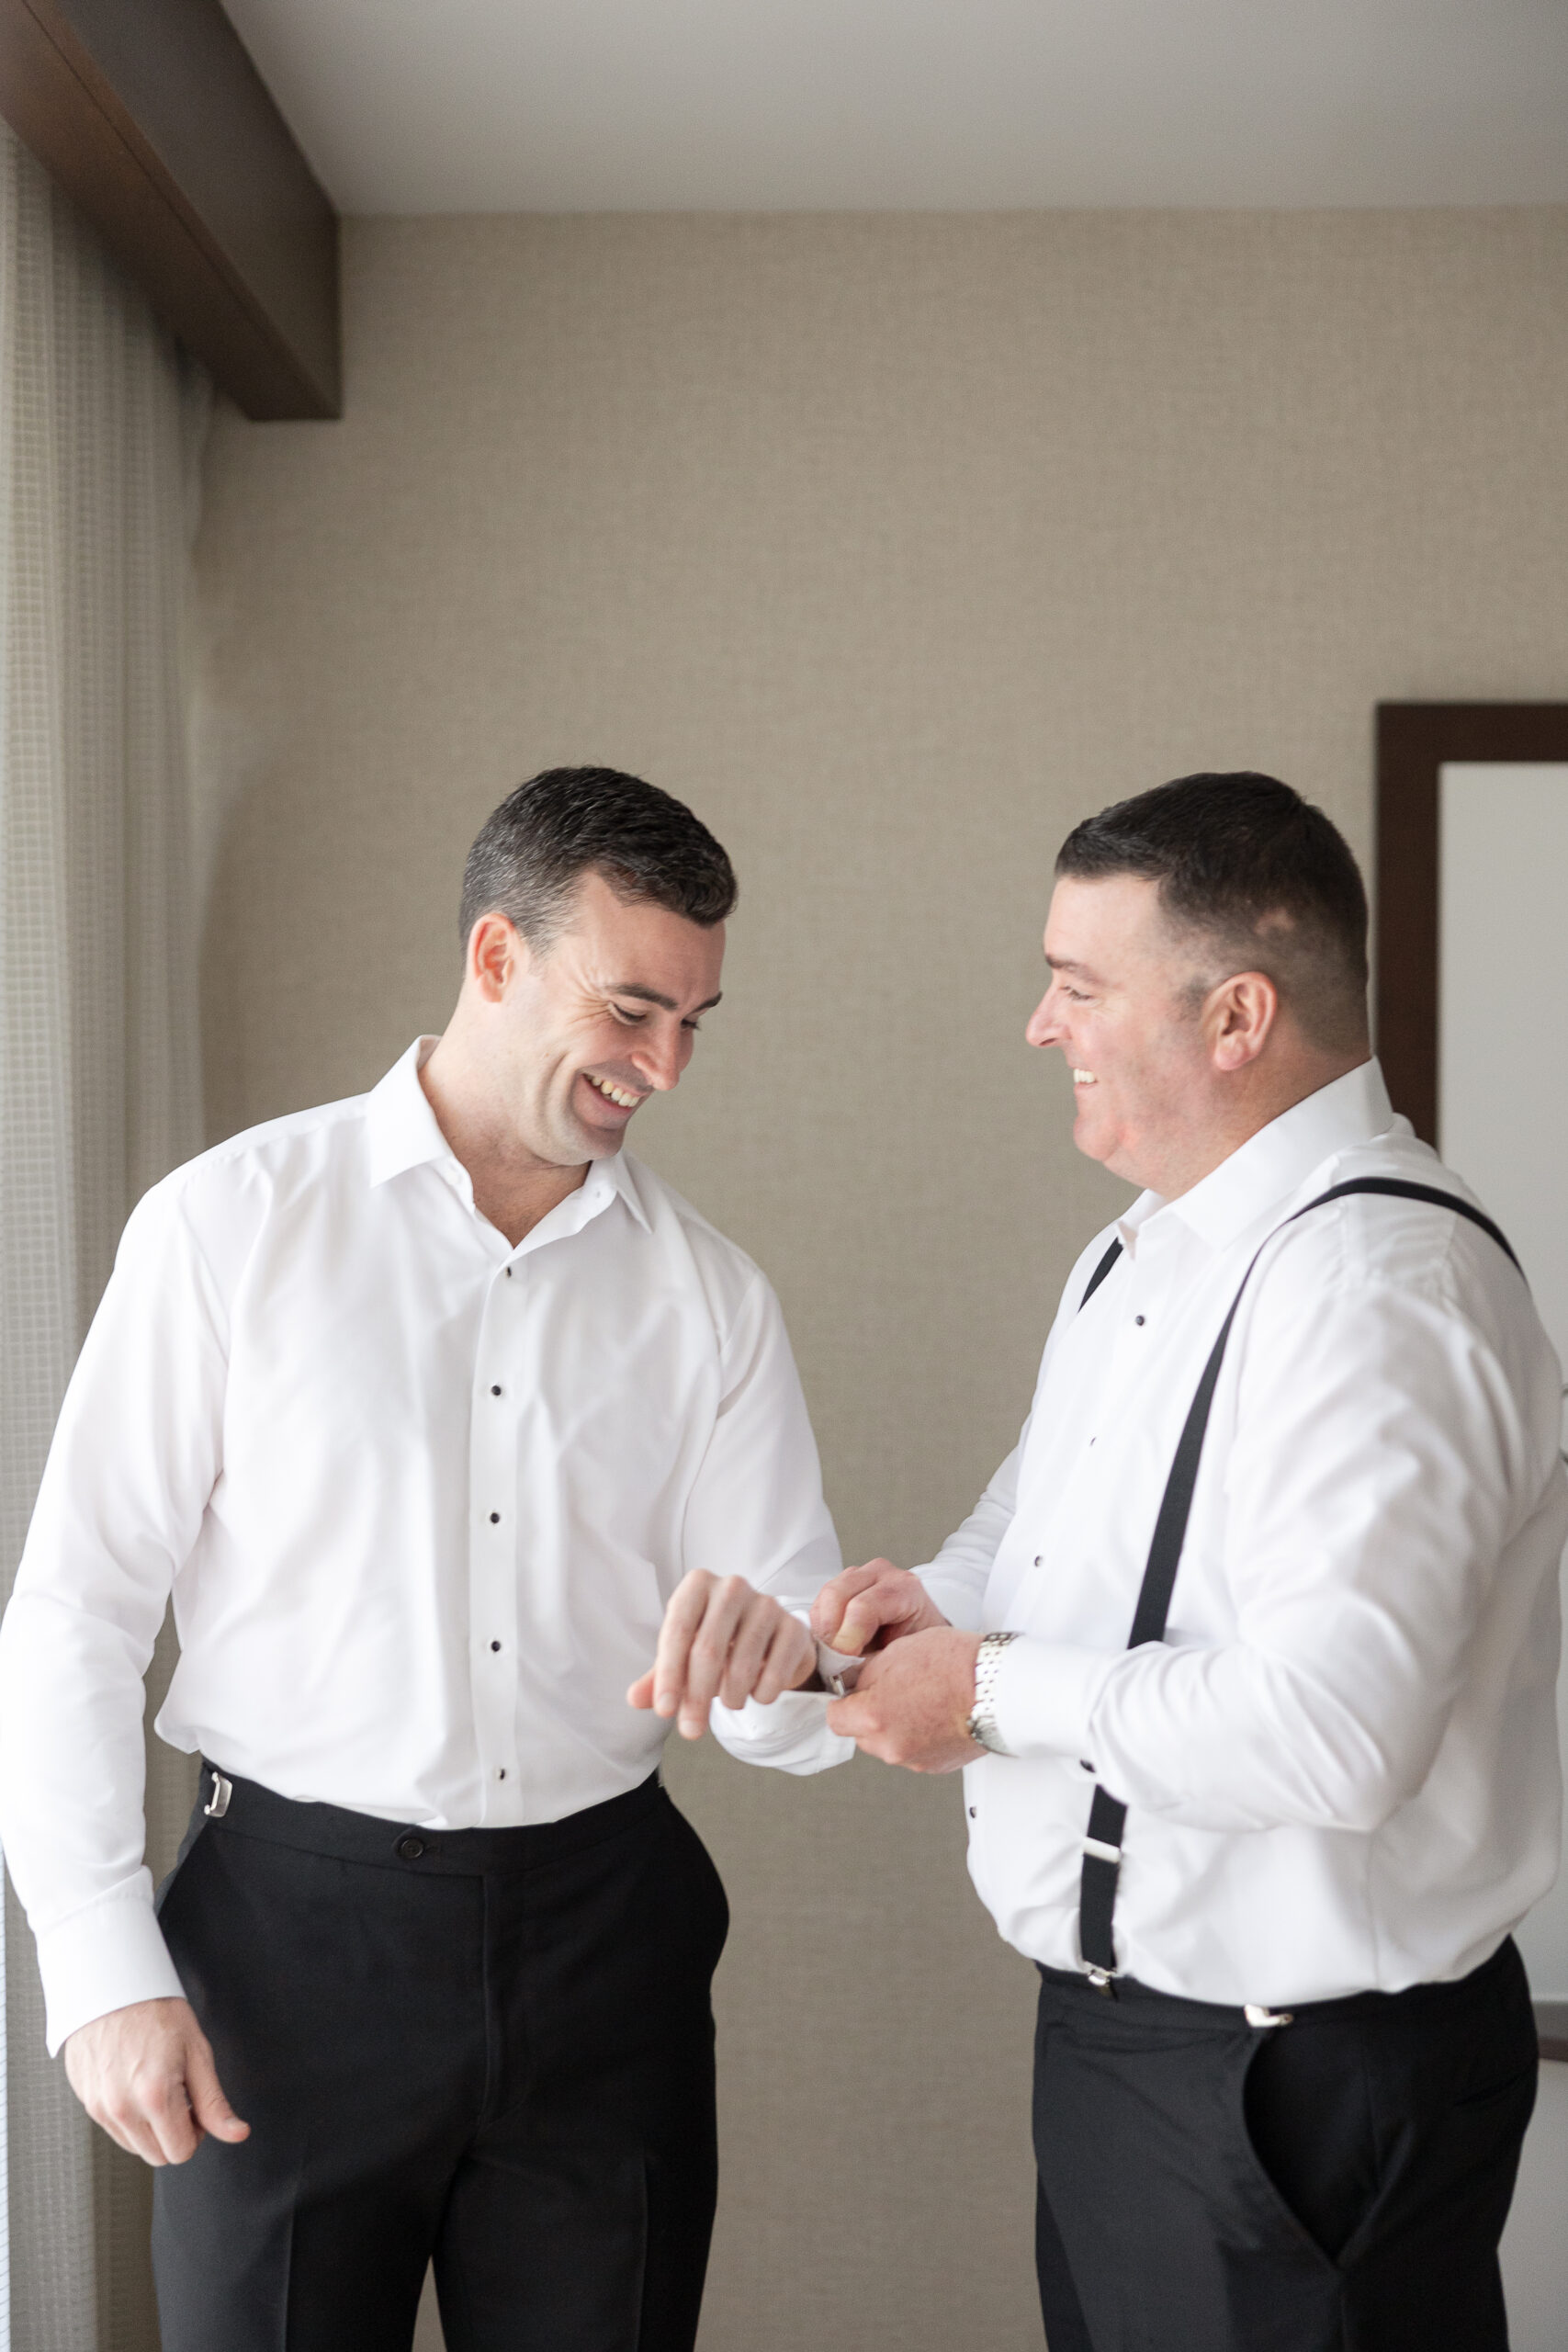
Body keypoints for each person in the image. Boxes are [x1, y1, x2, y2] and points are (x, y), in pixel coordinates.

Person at [0, 766, 852, 2352]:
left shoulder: (714, 1299)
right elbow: (76, 1614)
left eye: (695, 1021)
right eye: (631, 1009)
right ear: (495, 958)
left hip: (609, 1948)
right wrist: (100, 1966)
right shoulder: (228, 1225)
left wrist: (790, 1664)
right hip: (283, 1952)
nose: (665, 1064)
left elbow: (791, 1685)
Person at [813, 772, 1563, 2352]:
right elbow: (1034, 1523)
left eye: (1079, 986)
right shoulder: (1138, 1250)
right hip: (1137, 2067)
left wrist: (988, 1693)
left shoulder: (1382, 1288)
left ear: (1236, 1018)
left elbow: (1334, 1734)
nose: (1042, 1026)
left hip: (1294, 2093)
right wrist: (935, 1608)